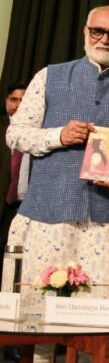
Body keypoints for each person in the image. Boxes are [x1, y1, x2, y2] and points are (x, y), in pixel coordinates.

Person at [6, 6, 109, 360]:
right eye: (98, 31)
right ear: (85, 32)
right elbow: (15, 134)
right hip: (48, 212)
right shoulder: (50, 77)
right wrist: (60, 135)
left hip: (108, 219)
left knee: (100, 320)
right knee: (38, 316)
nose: (105, 39)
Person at [0, 82, 27, 283]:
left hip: (25, 205)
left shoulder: (39, 131)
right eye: (13, 99)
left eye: (23, 100)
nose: (18, 105)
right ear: (6, 101)